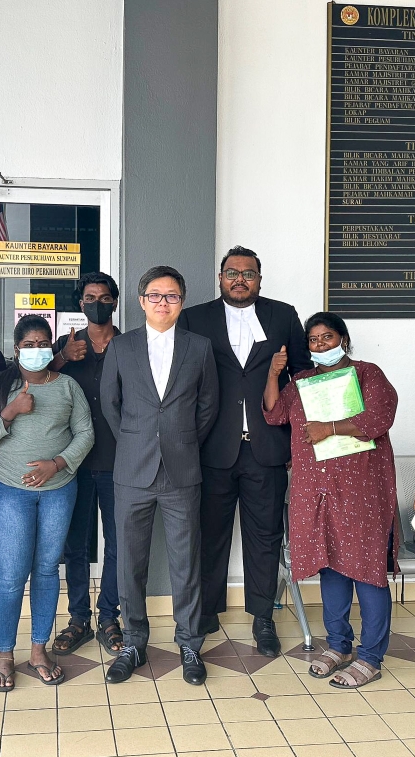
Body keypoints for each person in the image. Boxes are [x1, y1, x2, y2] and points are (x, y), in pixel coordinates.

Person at [178, 246, 313, 656]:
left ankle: (263, 618)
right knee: (209, 535)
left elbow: (302, 378)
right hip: (211, 448)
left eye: (248, 273)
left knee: (265, 536)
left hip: (267, 448)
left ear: (259, 279)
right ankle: (206, 613)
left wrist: (298, 438)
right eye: (232, 273)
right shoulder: (195, 318)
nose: (240, 279)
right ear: (220, 278)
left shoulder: (283, 315)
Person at [263, 312, 399, 688]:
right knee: (331, 567)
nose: (321, 345)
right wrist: (274, 374)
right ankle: (339, 645)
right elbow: (274, 415)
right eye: (314, 340)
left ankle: (371, 657)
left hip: (361, 491)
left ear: (343, 339)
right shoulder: (301, 382)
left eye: (328, 337)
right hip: (316, 491)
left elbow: (379, 418)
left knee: (367, 571)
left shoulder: (367, 374)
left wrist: (330, 428)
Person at [100, 266, 219, 685]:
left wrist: (179, 440)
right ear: (141, 301)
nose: (162, 302)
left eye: (171, 296)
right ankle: (134, 642)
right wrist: (137, 441)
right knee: (129, 562)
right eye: (155, 295)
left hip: (181, 470)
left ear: (181, 301)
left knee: (186, 562)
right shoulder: (122, 346)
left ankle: (189, 643)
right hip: (132, 470)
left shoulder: (199, 347)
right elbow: (110, 404)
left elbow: (207, 405)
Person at [0, 315, 94, 691]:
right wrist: (10, 412)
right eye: (29, 345)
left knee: (45, 570)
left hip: (59, 489)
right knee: (10, 576)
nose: (37, 351)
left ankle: (39, 650)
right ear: (16, 349)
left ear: (52, 348)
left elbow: (85, 433)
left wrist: (56, 464)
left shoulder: (68, 386)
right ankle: (5, 656)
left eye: (44, 344)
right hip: (10, 491)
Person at [49, 272, 124, 656]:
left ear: (115, 302)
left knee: (118, 544)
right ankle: (78, 619)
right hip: (72, 464)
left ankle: (109, 617)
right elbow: (36, 382)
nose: (97, 303)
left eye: (105, 297)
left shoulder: (130, 346)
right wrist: (63, 357)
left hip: (118, 462)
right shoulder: (64, 345)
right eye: (90, 298)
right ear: (80, 304)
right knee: (75, 546)